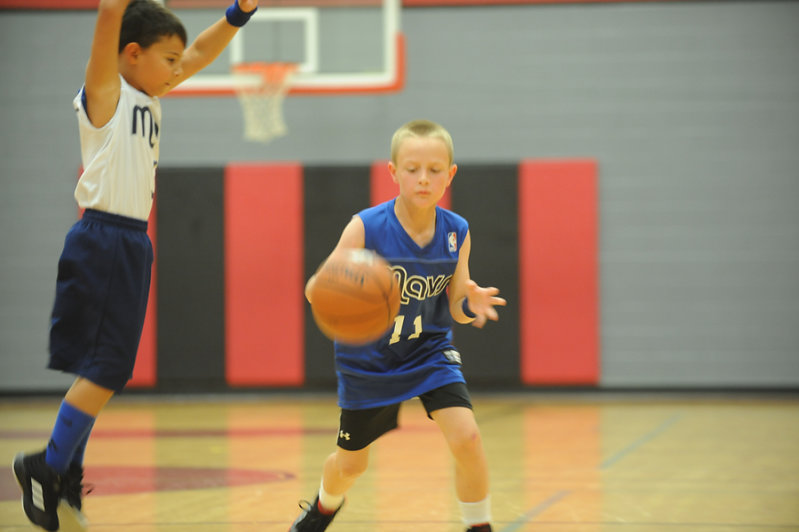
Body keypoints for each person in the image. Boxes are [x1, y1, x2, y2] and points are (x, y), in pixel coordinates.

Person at [11, 1, 259, 530]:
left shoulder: (151, 93)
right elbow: (109, 18)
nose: (177, 68)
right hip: (103, 238)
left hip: (130, 242)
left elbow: (200, 52)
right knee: (107, 369)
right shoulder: (106, 93)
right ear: (131, 53)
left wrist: (240, 12)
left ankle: (64, 470)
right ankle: (45, 466)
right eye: (167, 59)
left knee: (101, 369)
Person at [290, 119, 507, 532]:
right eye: (412, 169)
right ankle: (323, 506)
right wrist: (330, 286)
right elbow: (314, 290)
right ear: (393, 172)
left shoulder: (457, 231)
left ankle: (479, 527)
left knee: (469, 439)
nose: (423, 178)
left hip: (428, 349)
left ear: (450, 174)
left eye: (434, 169)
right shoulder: (366, 226)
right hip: (369, 359)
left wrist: (469, 301)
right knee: (351, 466)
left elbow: (457, 306)